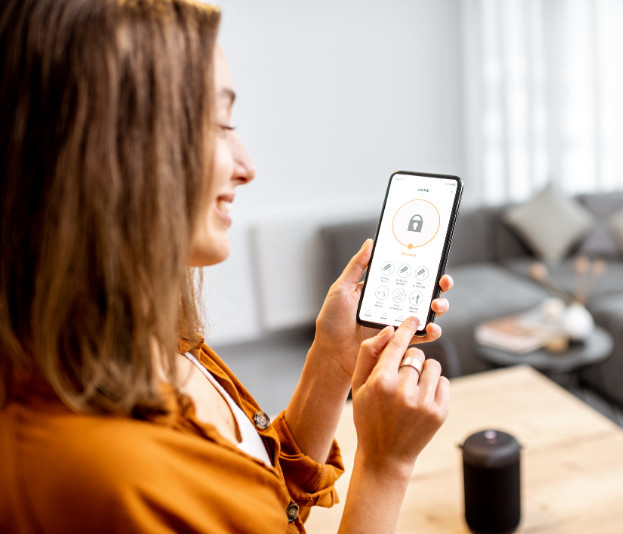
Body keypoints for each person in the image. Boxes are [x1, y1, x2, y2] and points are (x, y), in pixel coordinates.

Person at [0, 1, 453, 532]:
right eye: (216, 125)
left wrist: (333, 358)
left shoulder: (156, 340)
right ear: (106, 153)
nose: (247, 166)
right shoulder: (109, 476)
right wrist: (385, 466)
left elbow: (258, 499)